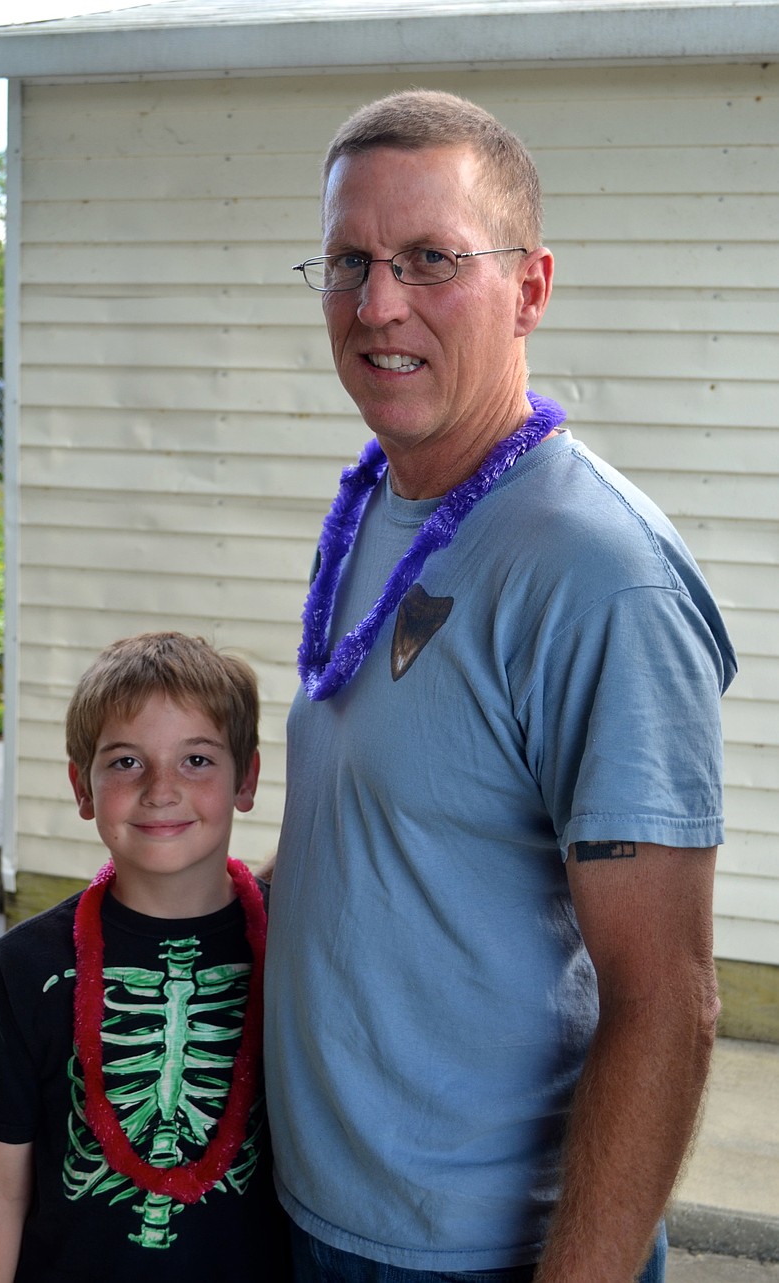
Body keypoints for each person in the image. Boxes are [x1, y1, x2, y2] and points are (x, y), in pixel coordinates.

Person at [265, 89, 737, 1283]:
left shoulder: (599, 573)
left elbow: (665, 999)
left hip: (480, 1251)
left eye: (430, 259)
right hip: (311, 1208)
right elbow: (372, 835)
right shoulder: (377, 502)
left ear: (529, 286)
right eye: (348, 262)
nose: (378, 304)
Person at [0, 631, 290, 1282]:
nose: (161, 788)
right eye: (126, 761)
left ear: (247, 778)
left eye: (197, 760)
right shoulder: (27, 964)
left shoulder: (299, 946)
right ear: (82, 786)